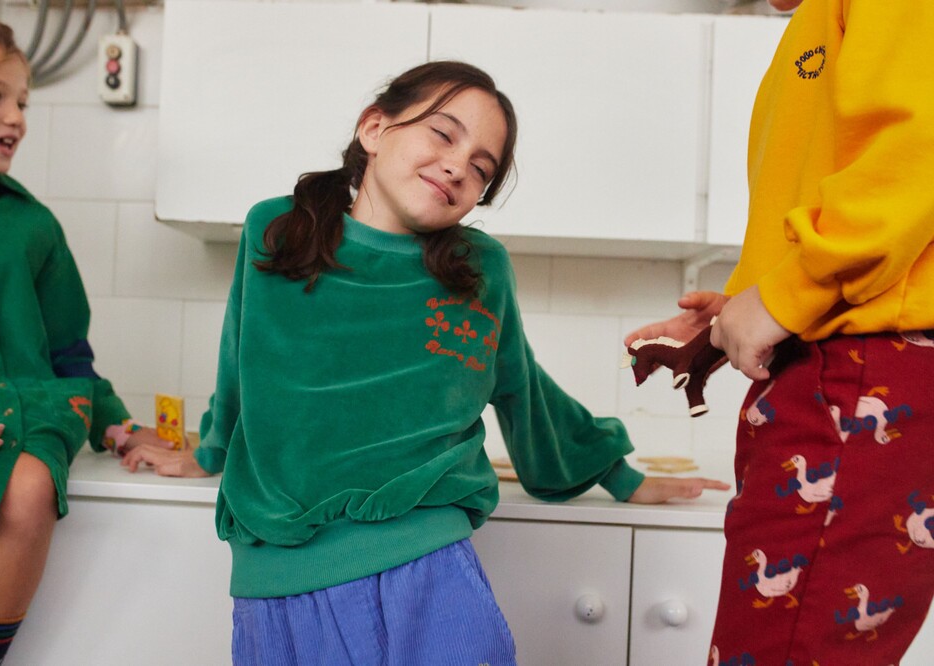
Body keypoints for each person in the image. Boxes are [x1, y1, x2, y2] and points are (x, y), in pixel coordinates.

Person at [122, 59, 729, 664]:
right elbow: (240, 357)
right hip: (277, 575)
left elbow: (521, 386)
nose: (458, 166)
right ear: (374, 129)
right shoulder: (276, 231)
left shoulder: (480, 269)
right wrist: (209, 452)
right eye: (443, 133)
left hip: (431, 570)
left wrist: (621, 477)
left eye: (481, 168)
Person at [627, 0, 934, 663]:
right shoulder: (816, 19)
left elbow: (916, 151)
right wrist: (744, 308)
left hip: (860, 372)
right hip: (847, 366)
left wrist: (785, 298)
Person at [0, 3, 173, 664]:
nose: (15, 117)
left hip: (25, 413)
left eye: (23, 102)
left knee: (30, 486)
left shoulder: (34, 224)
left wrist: (118, 427)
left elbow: (70, 351)